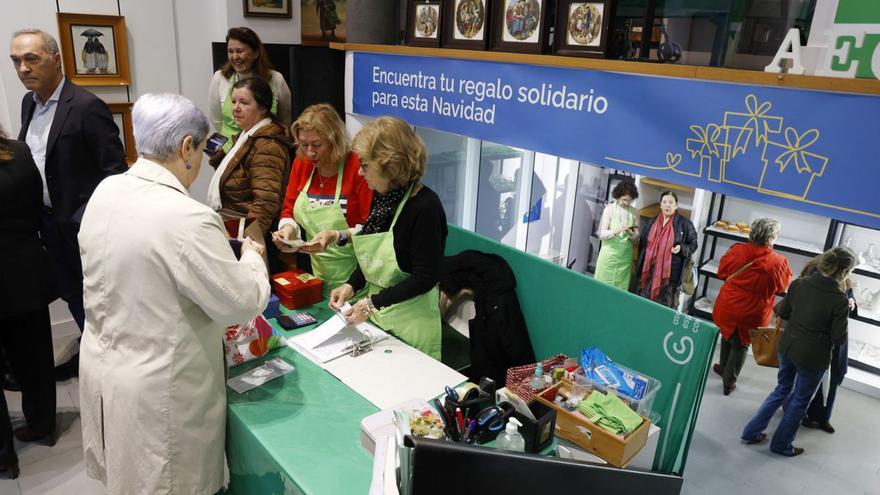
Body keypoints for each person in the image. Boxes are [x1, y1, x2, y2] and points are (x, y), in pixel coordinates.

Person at [78, 93, 270, 494]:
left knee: (131, 478)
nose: (199, 164)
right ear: (187, 147)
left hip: (108, 368)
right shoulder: (186, 217)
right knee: (169, 482)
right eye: (200, 151)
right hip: (163, 386)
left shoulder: (106, 191)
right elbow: (240, 303)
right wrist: (252, 258)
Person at [10, 28, 126, 380]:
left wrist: (83, 218)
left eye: (32, 58)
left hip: (83, 227)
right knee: (72, 297)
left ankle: (114, 371)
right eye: (16, 61)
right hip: (47, 226)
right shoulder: (29, 104)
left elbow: (115, 174)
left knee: (101, 305)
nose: (23, 68)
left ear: (56, 59)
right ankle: (94, 365)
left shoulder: (87, 107)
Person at [307, 117, 447, 360]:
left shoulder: (426, 207)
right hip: (380, 316)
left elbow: (425, 277)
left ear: (389, 164)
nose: (360, 172)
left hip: (412, 325)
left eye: (365, 165)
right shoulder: (383, 198)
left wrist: (372, 303)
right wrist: (352, 284)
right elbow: (372, 254)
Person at [741, 247, 856, 457]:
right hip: (814, 356)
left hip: (788, 345)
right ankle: (781, 444)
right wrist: (845, 312)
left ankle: (751, 432)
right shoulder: (840, 300)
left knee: (781, 390)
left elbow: (782, 311)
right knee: (800, 401)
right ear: (845, 272)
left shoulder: (800, 283)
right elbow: (839, 338)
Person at [0, 130, 57, 478]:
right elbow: (39, 207)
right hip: (25, 268)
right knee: (34, 356)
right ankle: (42, 424)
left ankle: (4, 455)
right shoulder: (19, 153)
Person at [272, 103, 372, 293]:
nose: (310, 152)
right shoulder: (302, 164)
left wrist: (336, 236)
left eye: (317, 145)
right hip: (319, 277)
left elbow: (372, 230)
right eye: (304, 144)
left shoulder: (356, 168)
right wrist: (287, 230)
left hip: (359, 279)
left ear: (335, 140)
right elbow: (289, 210)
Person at [207, 76, 291, 264]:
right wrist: (220, 158)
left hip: (247, 235)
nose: (235, 108)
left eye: (244, 102)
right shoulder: (247, 134)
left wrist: (249, 242)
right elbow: (241, 177)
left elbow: (266, 200)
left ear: (262, 108)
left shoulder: (267, 144)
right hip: (235, 228)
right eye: (234, 101)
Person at [712, 218, 792, 395]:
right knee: (741, 345)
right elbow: (782, 287)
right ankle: (729, 381)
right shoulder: (778, 262)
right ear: (771, 238)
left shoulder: (736, 250)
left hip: (729, 304)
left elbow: (721, 272)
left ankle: (723, 367)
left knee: (727, 334)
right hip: (754, 311)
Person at [209, 27, 292, 153]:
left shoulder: (276, 79)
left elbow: (285, 121)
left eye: (240, 51)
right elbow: (216, 121)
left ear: (256, 53)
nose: (235, 56)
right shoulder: (220, 78)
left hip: (265, 152)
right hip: (229, 152)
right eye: (230, 51)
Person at [800, 257, 857, 433]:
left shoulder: (845, 280)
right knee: (807, 377)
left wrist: (852, 304)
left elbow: (850, 301)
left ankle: (822, 416)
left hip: (837, 339)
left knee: (833, 377)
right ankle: (800, 413)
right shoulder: (814, 276)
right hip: (816, 336)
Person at [635, 190, 698, 308]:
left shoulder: (685, 224)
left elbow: (693, 245)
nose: (667, 205)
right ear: (660, 205)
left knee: (664, 310)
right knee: (643, 307)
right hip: (648, 273)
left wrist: (681, 248)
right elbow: (643, 245)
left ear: (676, 205)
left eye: (671, 202)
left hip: (669, 277)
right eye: (664, 202)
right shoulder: (652, 222)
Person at [594, 180, 639, 290]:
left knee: (621, 288)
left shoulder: (635, 212)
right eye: (624, 200)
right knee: (601, 286)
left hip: (625, 257)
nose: (627, 203)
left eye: (630, 200)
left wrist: (631, 234)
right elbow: (601, 234)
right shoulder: (609, 209)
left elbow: (636, 238)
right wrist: (615, 231)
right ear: (618, 196)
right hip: (608, 255)